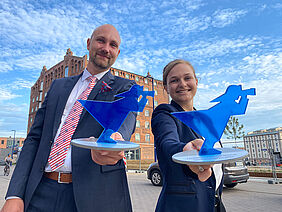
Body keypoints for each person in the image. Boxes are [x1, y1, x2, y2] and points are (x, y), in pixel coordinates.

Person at [1, 24, 136, 212]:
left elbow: (125, 118)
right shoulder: (57, 86)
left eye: (113, 45)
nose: (106, 48)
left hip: (94, 197)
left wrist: (114, 140)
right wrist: (15, 194)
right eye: (100, 40)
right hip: (41, 191)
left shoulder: (125, 86)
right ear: (89, 43)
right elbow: (34, 138)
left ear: (118, 52)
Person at [151, 59, 225, 212]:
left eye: (187, 78)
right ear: (166, 88)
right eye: (174, 80)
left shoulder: (205, 122)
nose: (182, 84)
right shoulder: (165, 113)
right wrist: (185, 150)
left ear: (196, 81)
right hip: (182, 206)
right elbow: (167, 142)